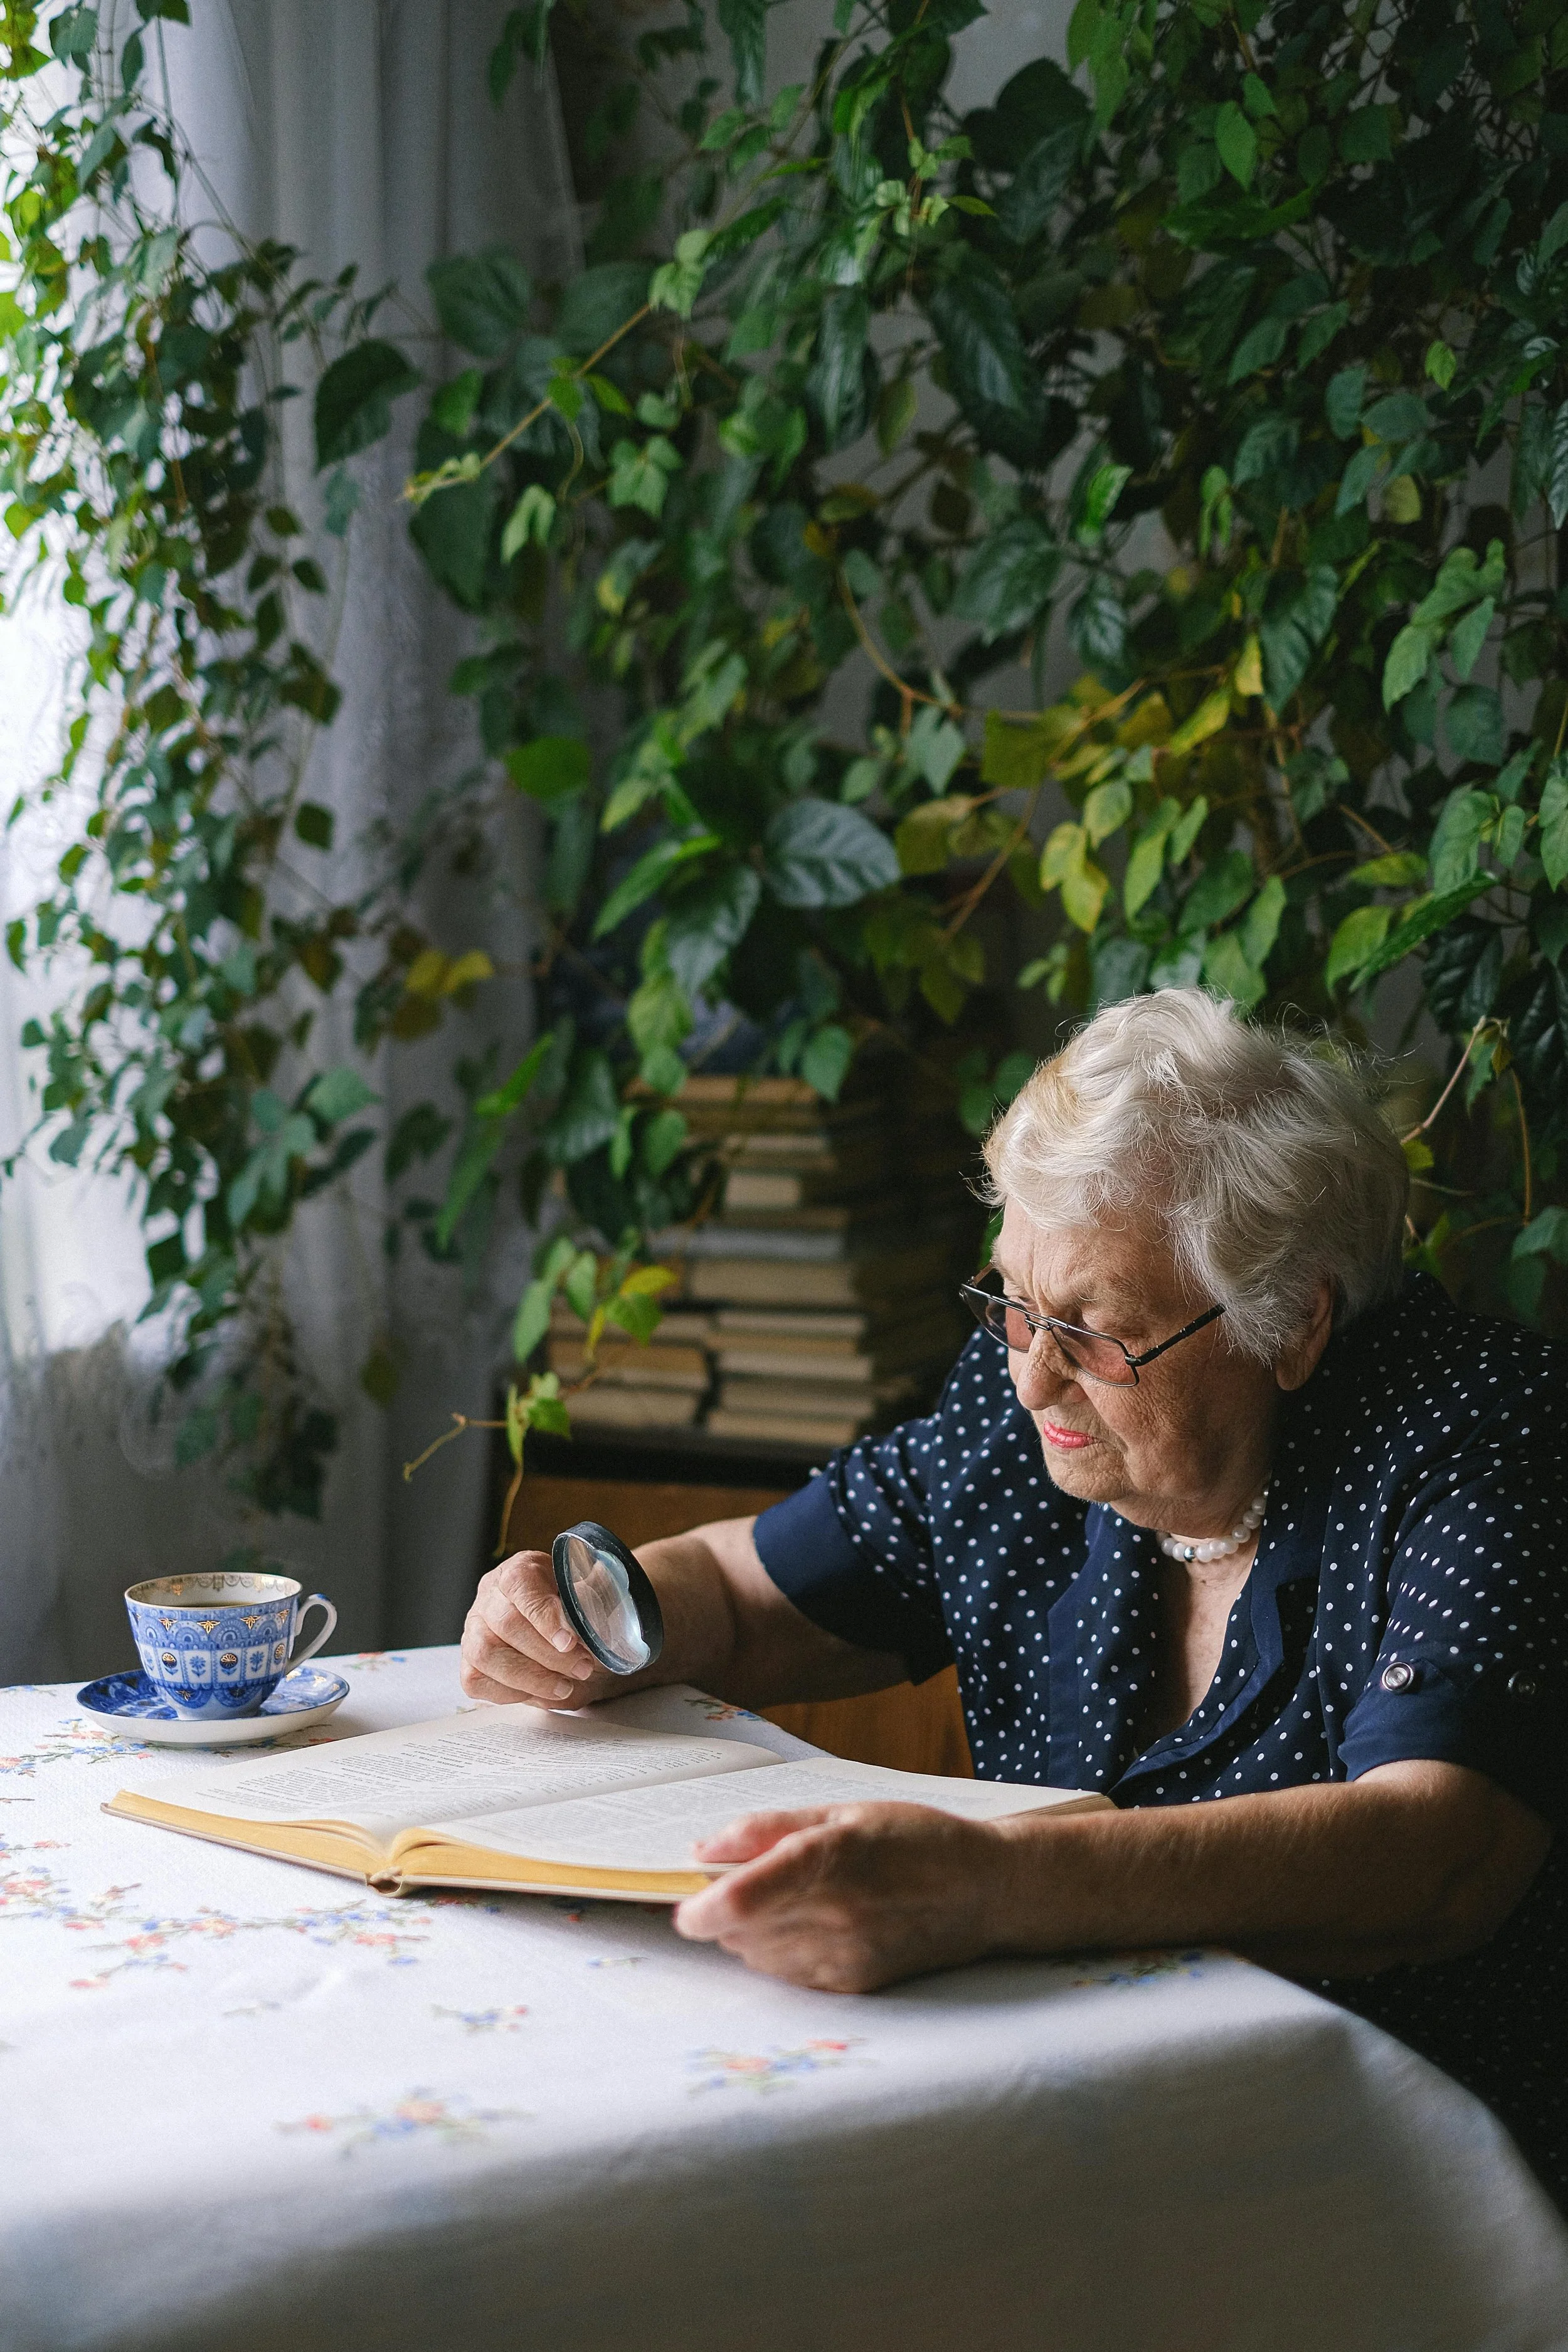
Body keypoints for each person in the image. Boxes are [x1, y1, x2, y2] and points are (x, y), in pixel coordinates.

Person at [462, 988, 1565, 2206]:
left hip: (1404, 2173)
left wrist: (991, 1888)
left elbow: (1439, 1852)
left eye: (1095, 1330)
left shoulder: (1476, 1435)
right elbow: (739, 1587)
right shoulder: (1018, 1420)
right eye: (1009, 1304)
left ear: (1290, 1324)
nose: (1034, 1374)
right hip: (1079, 2134)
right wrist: (586, 1612)